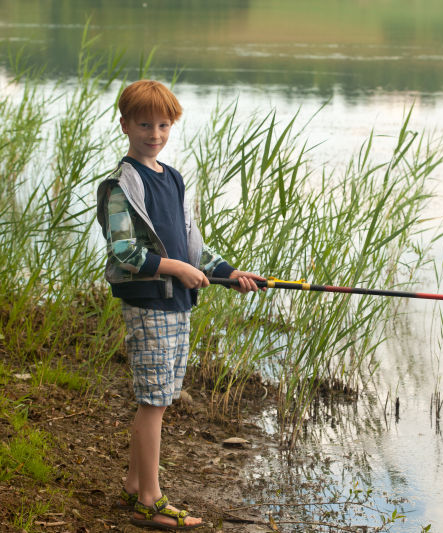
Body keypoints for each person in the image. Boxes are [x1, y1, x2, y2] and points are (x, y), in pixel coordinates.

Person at [96, 79, 265, 530]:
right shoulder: (120, 186)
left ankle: (135, 484)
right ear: (125, 125)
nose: (154, 134)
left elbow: (193, 247)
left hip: (177, 302)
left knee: (161, 398)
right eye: (144, 125)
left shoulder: (172, 178)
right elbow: (124, 253)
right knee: (152, 401)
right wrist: (175, 268)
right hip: (148, 302)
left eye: (163, 125)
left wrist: (229, 273)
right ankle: (149, 502)